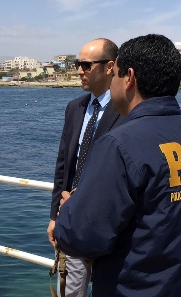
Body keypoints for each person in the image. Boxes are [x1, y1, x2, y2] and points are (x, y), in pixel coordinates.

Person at [54, 34, 181, 297]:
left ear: (129, 77)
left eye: (116, 75)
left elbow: (82, 236)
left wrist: (68, 212)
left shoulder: (119, 144)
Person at [46, 38, 123, 297]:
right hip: (72, 221)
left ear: (110, 67)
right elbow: (63, 166)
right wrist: (55, 217)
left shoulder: (126, 109)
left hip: (110, 225)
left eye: (86, 65)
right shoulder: (75, 108)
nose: (78, 70)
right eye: (78, 64)